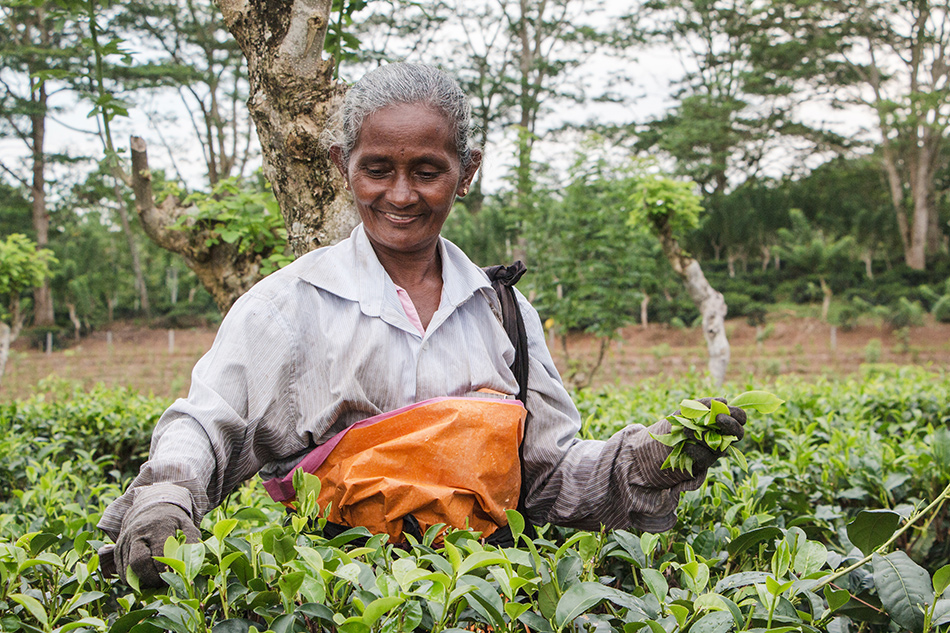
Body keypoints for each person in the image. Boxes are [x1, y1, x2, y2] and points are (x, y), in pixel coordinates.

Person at [98, 62, 745, 587]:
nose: (401, 194)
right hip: (328, 601)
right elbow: (205, 423)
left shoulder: (504, 315)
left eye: (427, 171)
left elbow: (550, 479)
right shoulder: (288, 305)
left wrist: (652, 457)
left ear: (466, 173)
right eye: (377, 168)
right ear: (340, 165)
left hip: (477, 597)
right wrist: (165, 499)